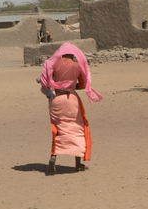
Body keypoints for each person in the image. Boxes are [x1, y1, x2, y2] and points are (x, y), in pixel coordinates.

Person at [37, 43, 102, 176]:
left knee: (58, 130)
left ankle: (53, 158)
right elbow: (83, 85)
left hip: (56, 100)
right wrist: (70, 86)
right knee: (77, 128)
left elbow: (45, 81)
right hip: (71, 100)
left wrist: (59, 85)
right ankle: (78, 164)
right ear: (73, 54)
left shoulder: (54, 64)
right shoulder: (77, 66)